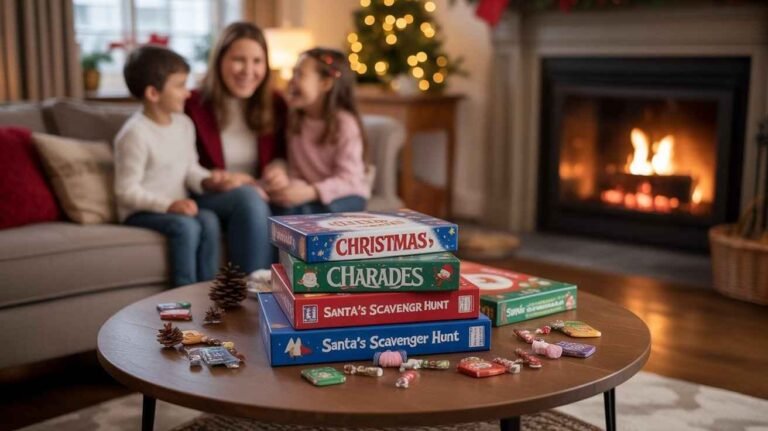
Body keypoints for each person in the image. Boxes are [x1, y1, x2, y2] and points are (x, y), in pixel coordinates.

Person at [115, 45, 233, 286]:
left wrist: (207, 179)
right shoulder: (135, 134)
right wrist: (168, 205)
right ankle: (184, 293)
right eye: (180, 86)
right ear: (153, 93)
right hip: (141, 212)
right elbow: (125, 191)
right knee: (186, 227)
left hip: (174, 206)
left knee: (209, 219)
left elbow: (190, 168)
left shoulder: (184, 124)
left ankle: (209, 292)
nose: (187, 93)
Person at [185, 22, 286, 270]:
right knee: (248, 198)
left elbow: (285, 152)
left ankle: (295, 288)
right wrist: (220, 178)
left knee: (292, 203)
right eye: (239, 60)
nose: (248, 71)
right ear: (220, 61)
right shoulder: (193, 104)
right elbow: (180, 163)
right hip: (209, 193)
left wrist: (279, 168)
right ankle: (255, 286)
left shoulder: (276, 103)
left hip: (260, 192)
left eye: (257, 61)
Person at [263, 48, 369, 214]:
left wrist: (309, 192)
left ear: (325, 83)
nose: (291, 80)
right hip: (309, 193)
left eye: (300, 74)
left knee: (303, 212)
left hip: (346, 195)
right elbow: (296, 170)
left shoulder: (344, 124)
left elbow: (349, 179)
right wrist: (288, 186)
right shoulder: (295, 120)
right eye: (293, 73)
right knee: (279, 206)